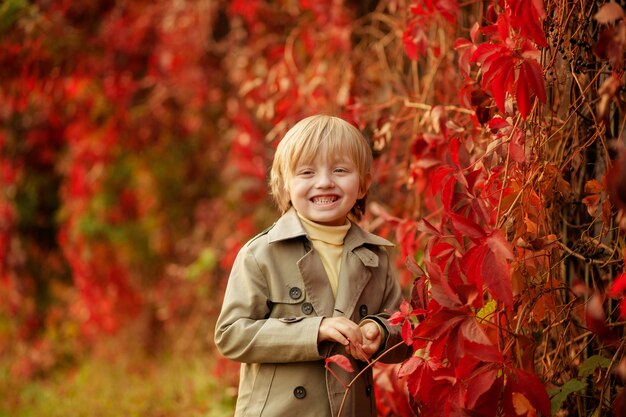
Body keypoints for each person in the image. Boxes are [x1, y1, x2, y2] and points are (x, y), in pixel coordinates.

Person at [214, 115, 411, 417]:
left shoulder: (375, 257)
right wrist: (314, 330)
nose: (324, 182)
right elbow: (231, 335)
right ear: (285, 185)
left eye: (340, 170)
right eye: (306, 172)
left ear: (363, 185)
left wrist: (379, 331)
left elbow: (403, 331)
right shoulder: (261, 255)